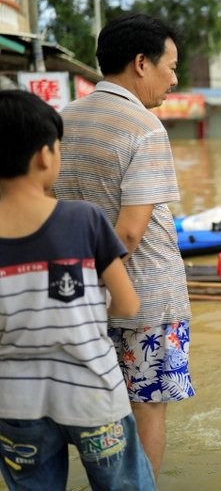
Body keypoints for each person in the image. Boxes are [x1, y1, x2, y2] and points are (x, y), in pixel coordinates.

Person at [52, 13, 193, 478]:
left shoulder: (61, 120)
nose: (174, 79)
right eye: (170, 67)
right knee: (147, 408)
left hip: (76, 299)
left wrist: (79, 284)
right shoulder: (145, 128)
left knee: (99, 415)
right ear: (140, 63)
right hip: (145, 298)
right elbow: (130, 231)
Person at [0, 90, 155, 490]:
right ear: (44, 156)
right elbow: (127, 302)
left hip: (15, 405)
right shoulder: (82, 219)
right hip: (92, 394)